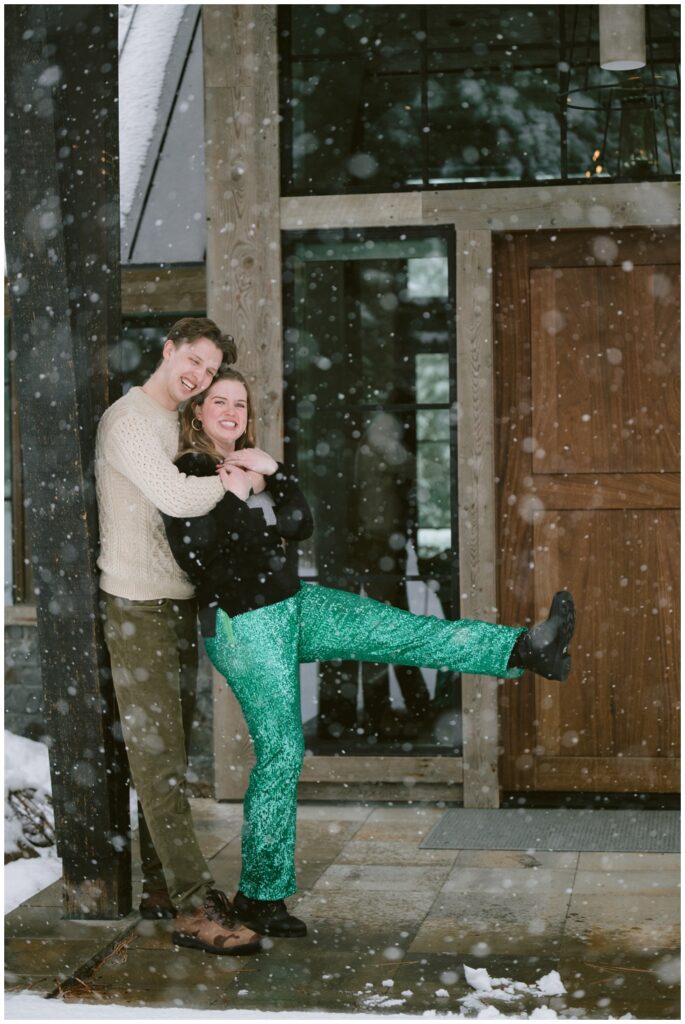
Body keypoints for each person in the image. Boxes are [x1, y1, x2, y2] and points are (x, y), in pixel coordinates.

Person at [161, 367, 576, 941]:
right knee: (282, 753)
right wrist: (232, 497)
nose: (231, 411)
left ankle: (527, 648)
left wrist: (275, 474)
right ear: (197, 412)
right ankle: (259, 898)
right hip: (242, 624)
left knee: (402, 631)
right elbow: (202, 559)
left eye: (240, 402)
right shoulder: (188, 473)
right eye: (219, 403)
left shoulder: (253, 464)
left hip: (292, 603)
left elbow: (300, 526)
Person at [95, 317, 262, 957]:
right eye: (192, 360)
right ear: (169, 352)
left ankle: (161, 887)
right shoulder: (130, 421)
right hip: (135, 604)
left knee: (171, 749)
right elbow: (175, 496)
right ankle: (195, 906)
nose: (198, 376)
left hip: (176, 603)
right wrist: (237, 481)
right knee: (158, 760)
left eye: (210, 370)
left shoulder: (182, 421)